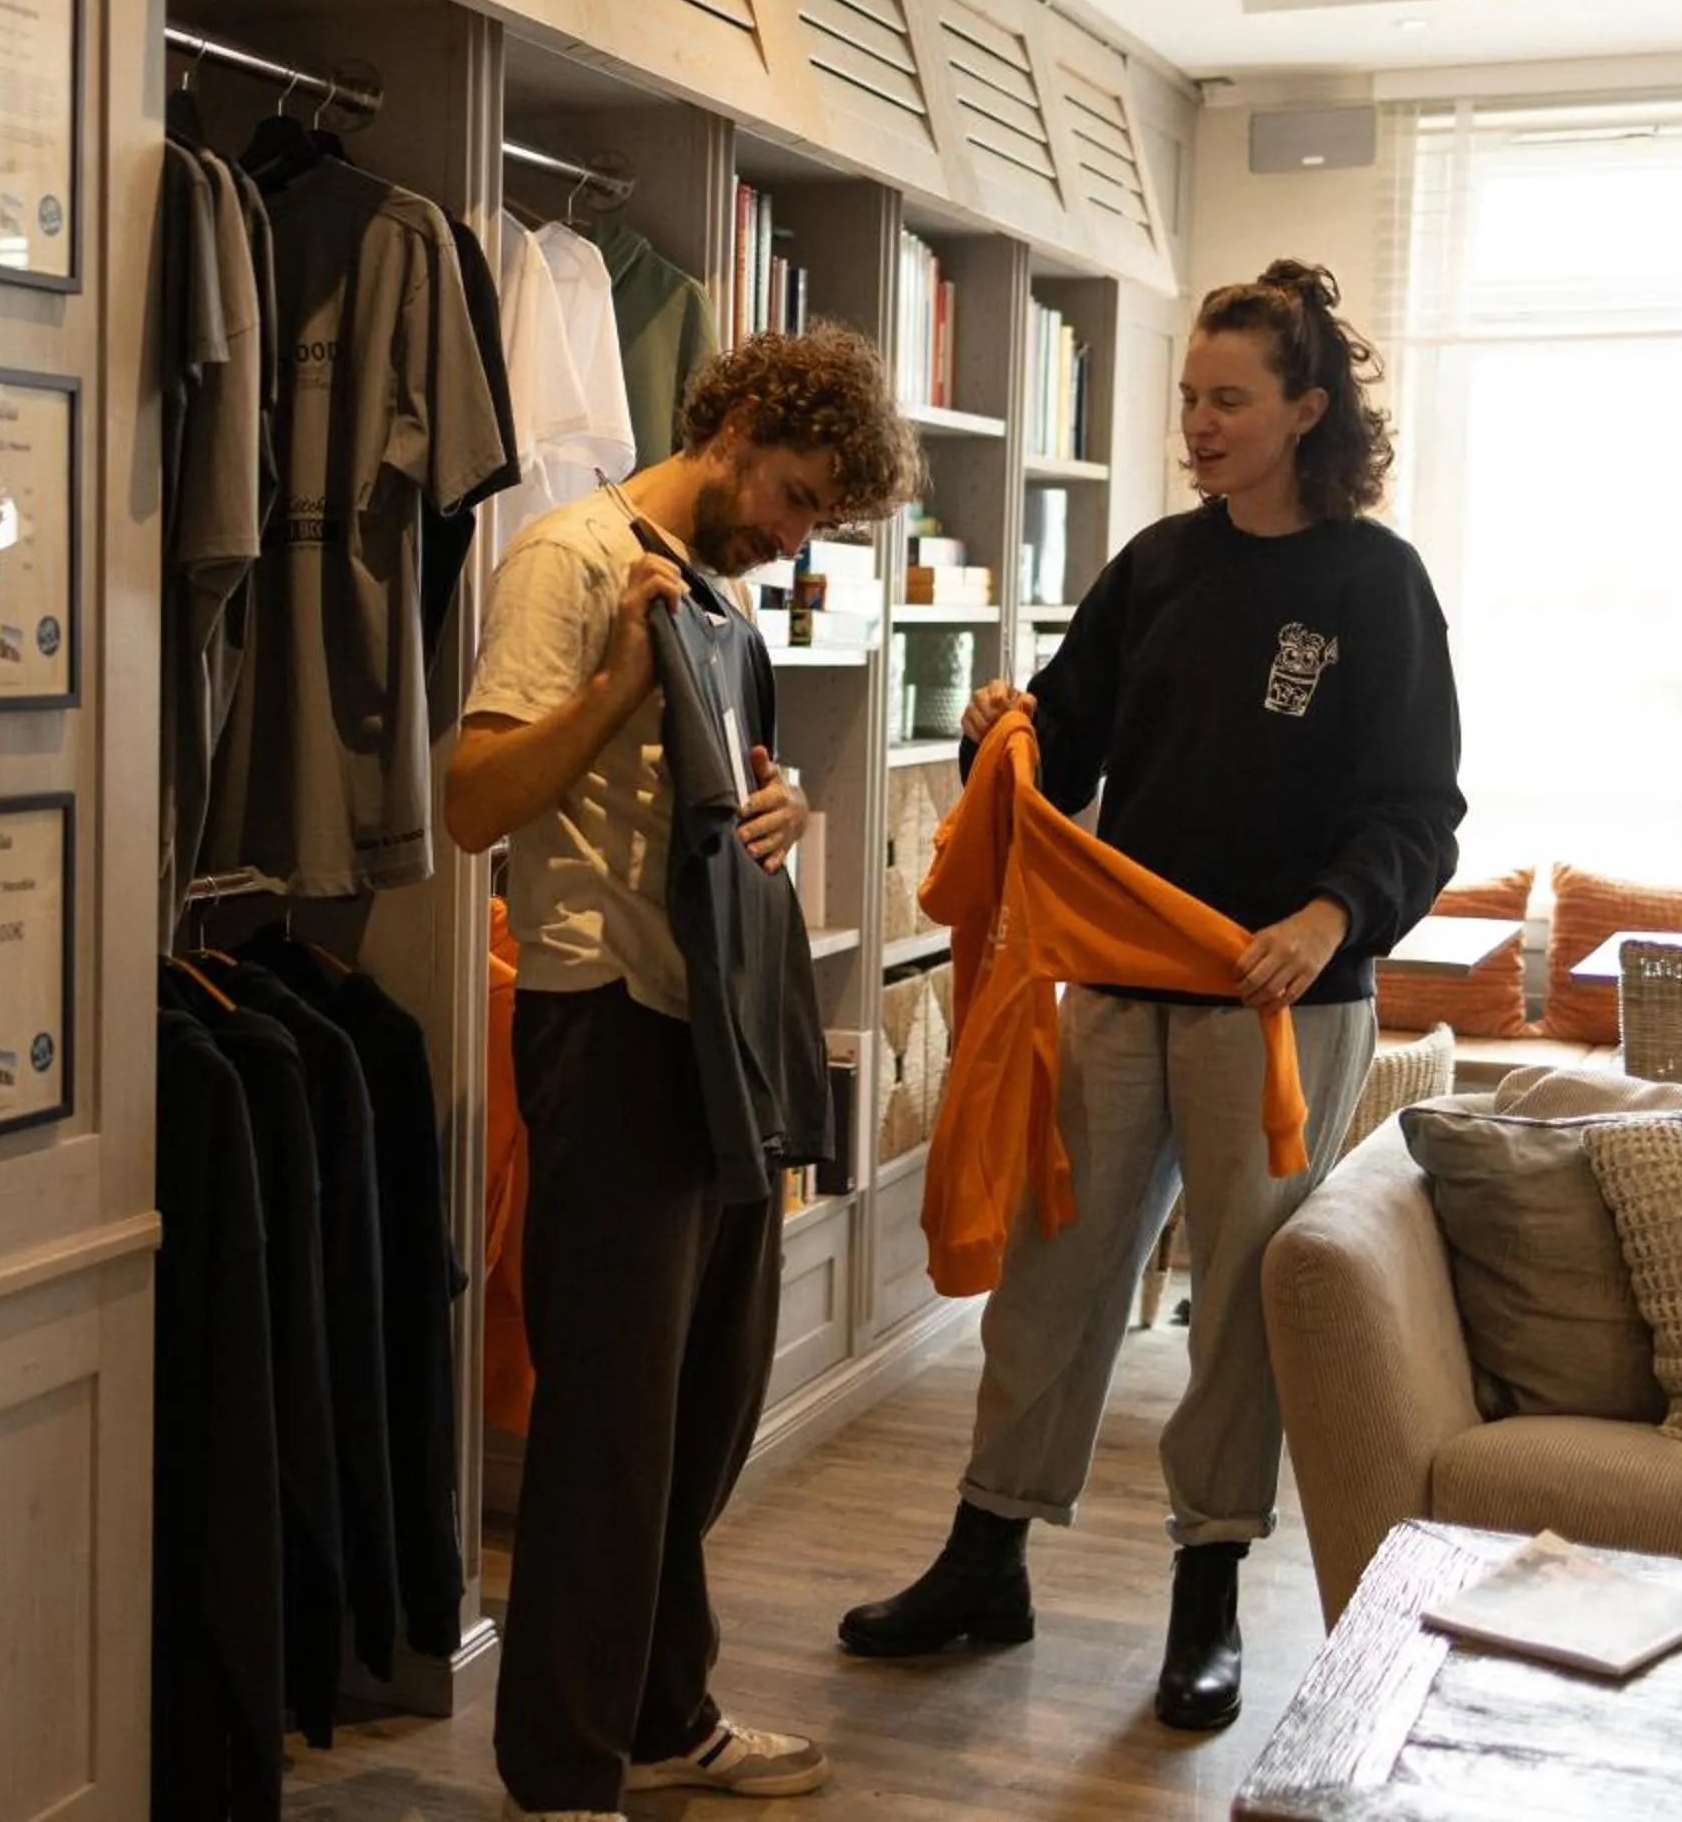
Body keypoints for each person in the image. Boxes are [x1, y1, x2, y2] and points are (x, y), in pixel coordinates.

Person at [836, 260, 1462, 1733]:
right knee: (1058, 1270)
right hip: (1117, 978)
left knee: (1241, 1303)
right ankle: (988, 1553)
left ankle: (1209, 1597)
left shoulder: (1378, 586)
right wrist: (1013, 731)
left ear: (1309, 411)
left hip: (1281, 1004)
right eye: (1189, 396)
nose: (1198, 423)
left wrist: (1327, 914)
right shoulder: (1161, 566)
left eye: (1229, 399)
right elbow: (1070, 727)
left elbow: (1419, 811)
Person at [448, 325, 916, 1819]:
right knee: (610, 1421)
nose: (795, 536)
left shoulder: (713, 591)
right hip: (607, 1022)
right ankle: (564, 1767)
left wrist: (772, 812)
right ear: (743, 422)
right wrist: (613, 687)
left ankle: (663, 1707)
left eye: (819, 519)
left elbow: (714, 795)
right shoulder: (570, 559)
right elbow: (472, 801)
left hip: (711, 1033)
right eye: (794, 496)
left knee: (704, 1405)